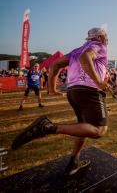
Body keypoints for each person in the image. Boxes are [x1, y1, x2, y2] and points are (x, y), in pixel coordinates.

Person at [12, 27, 110, 176]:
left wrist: (52, 89)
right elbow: (85, 58)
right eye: (105, 37)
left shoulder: (76, 50)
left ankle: (73, 162)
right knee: (99, 130)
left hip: (73, 91)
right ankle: (48, 127)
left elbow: (55, 65)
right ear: (101, 38)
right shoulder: (99, 46)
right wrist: (99, 82)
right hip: (89, 91)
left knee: (83, 126)